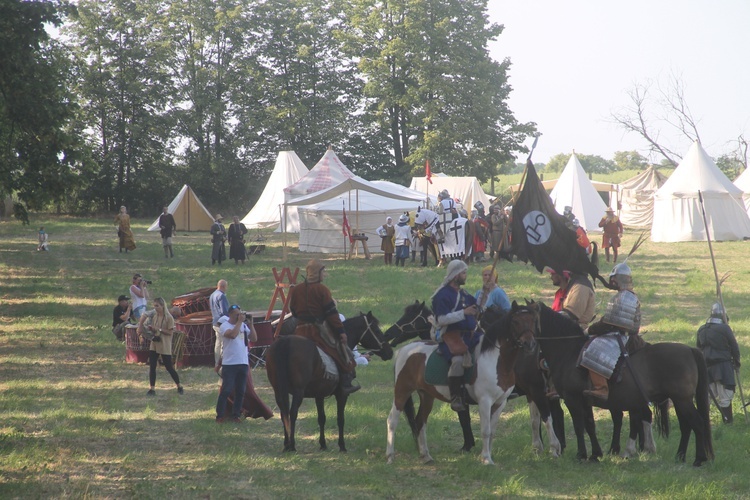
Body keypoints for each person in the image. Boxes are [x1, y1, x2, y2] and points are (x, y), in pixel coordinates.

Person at [288, 259, 359, 395]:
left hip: (299, 330)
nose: (324, 274)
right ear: (317, 273)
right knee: (340, 351)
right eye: (323, 271)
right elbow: (332, 314)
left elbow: (294, 311)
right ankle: (345, 383)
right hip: (317, 332)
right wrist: (341, 332)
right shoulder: (322, 290)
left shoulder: (296, 290)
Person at [579, 263, 640, 401]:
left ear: (617, 279)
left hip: (623, 337)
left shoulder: (624, 297)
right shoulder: (625, 295)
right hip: (620, 334)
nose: (611, 282)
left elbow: (610, 323)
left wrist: (589, 330)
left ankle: (601, 388)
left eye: (613, 279)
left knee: (594, 349)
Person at [431, 260, 481, 411]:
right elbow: (441, 319)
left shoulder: (464, 294)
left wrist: (485, 293)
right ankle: (456, 397)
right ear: (455, 275)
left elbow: (477, 307)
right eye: (464, 273)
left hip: (472, 336)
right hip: (451, 338)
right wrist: (463, 313)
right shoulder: (442, 295)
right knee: (458, 361)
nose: (466, 276)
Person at [697, 302, 741, 424]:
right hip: (723, 366)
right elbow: (734, 347)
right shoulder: (725, 328)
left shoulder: (702, 329)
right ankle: (728, 422)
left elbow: (698, 349)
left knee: (708, 396)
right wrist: (737, 363)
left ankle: (704, 422)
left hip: (707, 366)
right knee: (725, 396)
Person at [137, 297, 184, 396]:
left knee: (169, 367)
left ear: (163, 306)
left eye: (157, 306)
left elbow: (170, 332)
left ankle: (179, 386)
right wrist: (152, 330)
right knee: (152, 366)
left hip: (164, 344)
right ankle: (152, 389)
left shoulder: (169, 318)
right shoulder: (155, 316)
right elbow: (153, 327)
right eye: (154, 306)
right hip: (155, 343)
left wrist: (159, 329)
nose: (155, 308)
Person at [215, 305, 251, 422]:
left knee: (241, 391)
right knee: (226, 390)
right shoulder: (225, 325)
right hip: (230, 364)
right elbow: (232, 335)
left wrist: (251, 324)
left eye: (240, 314)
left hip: (243, 362)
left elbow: (254, 338)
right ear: (230, 314)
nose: (239, 316)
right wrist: (239, 322)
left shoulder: (243, 325)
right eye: (236, 314)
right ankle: (220, 415)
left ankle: (236, 415)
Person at [210, 280, 229, 369]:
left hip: (215, 322)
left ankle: (216, 362)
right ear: (223, 286)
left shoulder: (212, 295)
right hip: (222, 323)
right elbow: (224, 311)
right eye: (226, 287)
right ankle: (222, 364)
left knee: (217, 343)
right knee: (223, 343)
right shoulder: (221, 296)